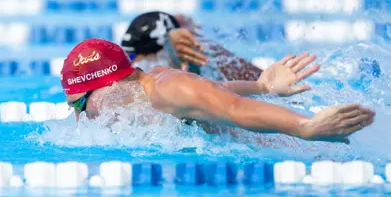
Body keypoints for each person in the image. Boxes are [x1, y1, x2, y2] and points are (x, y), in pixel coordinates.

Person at [61, 39, 375, 144]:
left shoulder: (167, 89)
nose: (81, 117)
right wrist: (261, 85)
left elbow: (233, 110)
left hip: (308, 150)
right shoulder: (152, 88)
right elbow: (215, 93)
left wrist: (305, 126)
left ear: (110, 85)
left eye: (81, 104)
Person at [120, 11, 262, 81]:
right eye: (190, 33)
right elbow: (262, 80)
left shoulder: (118, 69)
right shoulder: (200, 51)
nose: (196, 35)